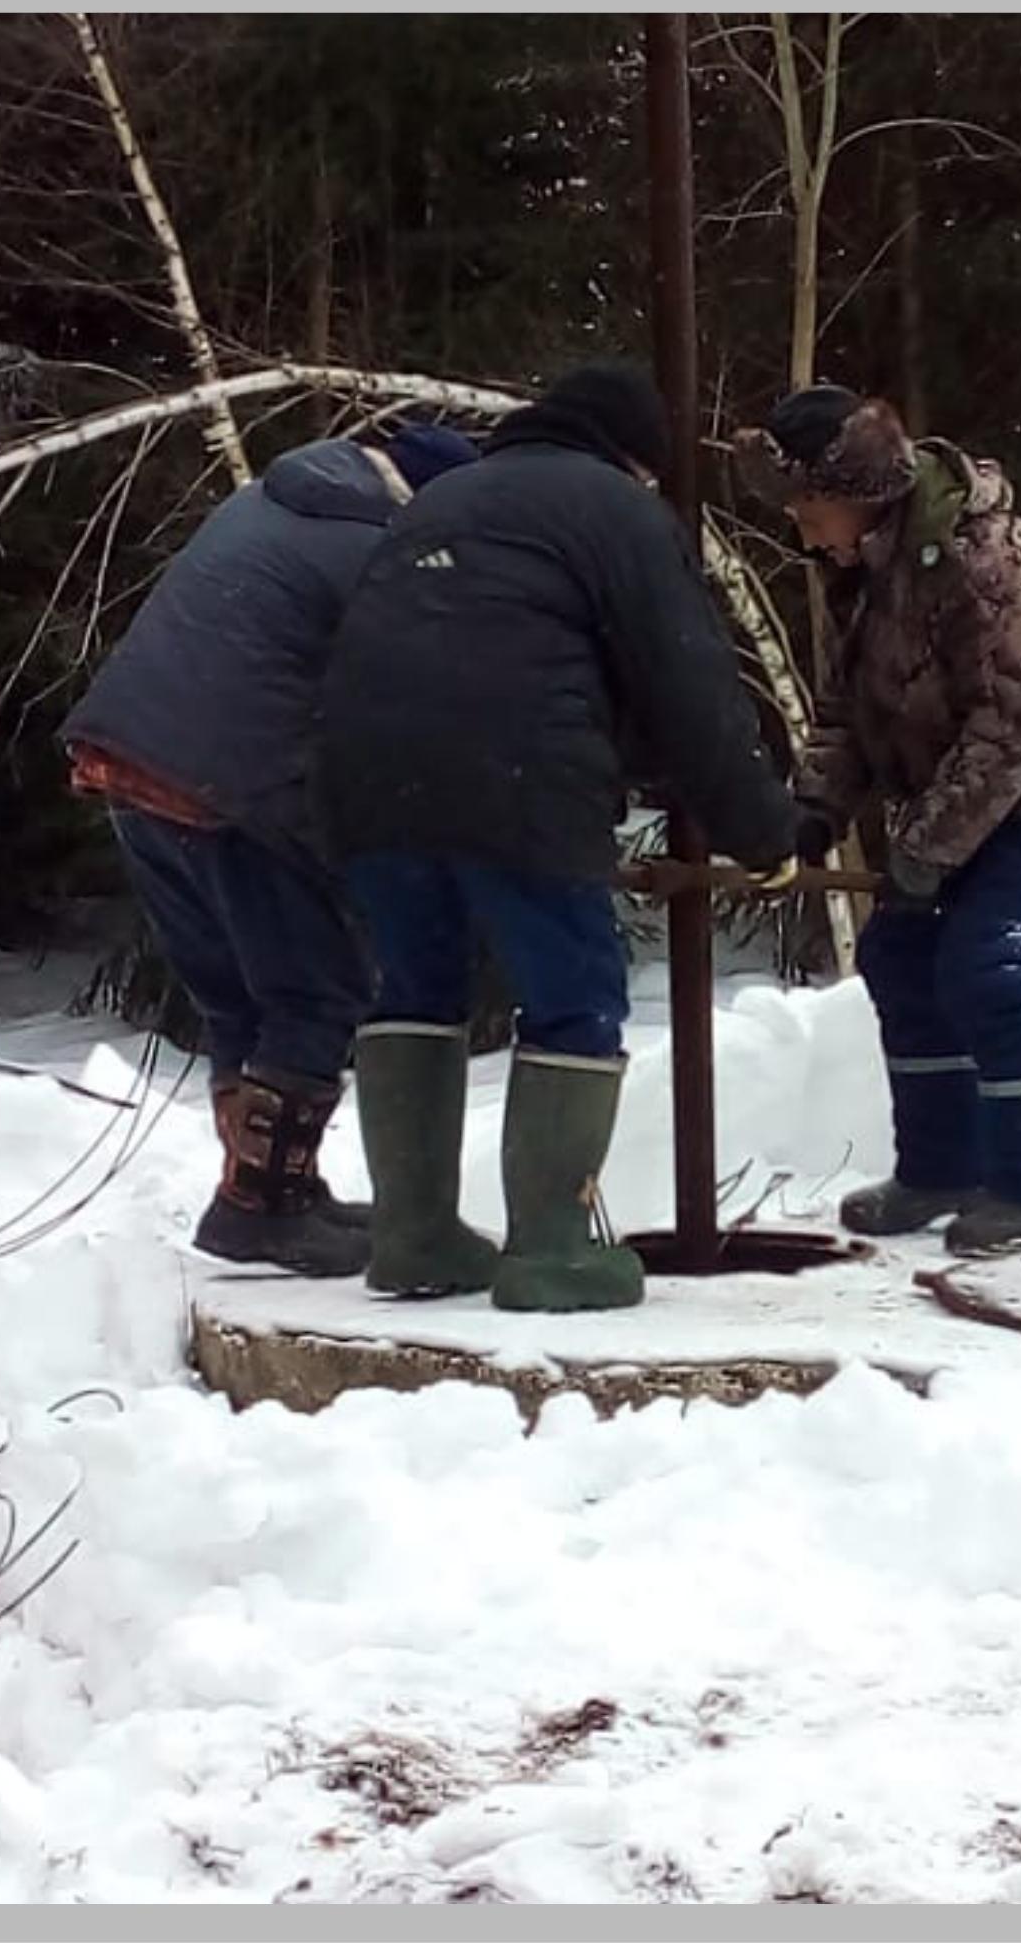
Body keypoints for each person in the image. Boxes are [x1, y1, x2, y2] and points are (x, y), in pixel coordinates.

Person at [314, 360, 796, 1312]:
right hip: (518, 777)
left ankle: (413, 1235)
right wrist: (765, 830)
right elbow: (688, 687)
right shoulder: (613, 510)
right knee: (573, 996)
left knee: (416, 988)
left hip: (361, 774)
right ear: (631, 456)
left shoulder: (440, 504)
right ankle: (552, 1250)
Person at [58, 417, 480, 1276]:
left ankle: (270, 1185)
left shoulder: (268, 503)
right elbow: (409, 692)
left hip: (129, 766)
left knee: (235, 996)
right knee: (317, 988)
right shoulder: (371, 547)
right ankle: (261, 1205)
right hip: (227, 783)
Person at [760, 387, 1021, 1256]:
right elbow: (847, 711)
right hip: (963, 798)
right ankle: (940, 1169)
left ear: (859, 493)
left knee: (990, 966)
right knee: (899, 958)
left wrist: (928, 847)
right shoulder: (859, 577)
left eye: (810, 508)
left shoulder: (986, 559)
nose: (803, 531)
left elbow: (1016, 725)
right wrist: (814, 810)